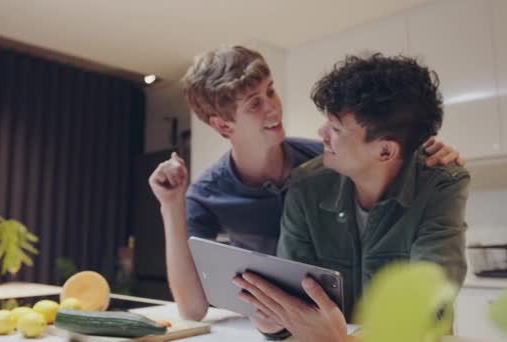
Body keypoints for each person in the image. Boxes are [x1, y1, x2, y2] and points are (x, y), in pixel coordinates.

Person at [148, 46, 465, 325]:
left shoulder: (327, 161)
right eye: (255, 103)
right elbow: (191, 309)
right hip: (280, 322)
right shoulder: (209, 193)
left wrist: (417, 148)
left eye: (271, 91)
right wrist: (171, 205)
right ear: (222, 124)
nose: (273, 107)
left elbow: (377, 151)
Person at [233, 53, 470, 341]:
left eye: (335, 129)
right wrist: (274, 321)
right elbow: (292, 294)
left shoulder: (440, 183)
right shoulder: (306, 185)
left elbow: (427, 302)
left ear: (385, 151)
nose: (321, 134)